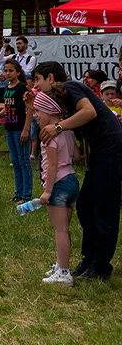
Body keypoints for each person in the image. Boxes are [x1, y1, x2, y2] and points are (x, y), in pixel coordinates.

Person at [35, 61, 122, 282]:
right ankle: (89, 260)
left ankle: (100, 267)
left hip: (111, 150)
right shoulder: (62, 98)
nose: (36, 84)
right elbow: (44, 115)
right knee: (85, 206)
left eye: (38, 79)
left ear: (51, 79)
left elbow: (89, 111)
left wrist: (58, 127)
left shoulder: (71, 88)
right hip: (100, 152)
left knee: (104, 210)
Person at [33, 89, 80, 286]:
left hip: (58, 185)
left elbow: (51, 165)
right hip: (72, 181)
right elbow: (76, 157)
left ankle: (63, 272)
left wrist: (48, 191)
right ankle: (62, 265)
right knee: (65, 229)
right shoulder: (67, 130)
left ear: (50, 113)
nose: (35, 115)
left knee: (59, 230)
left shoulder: (48, 135)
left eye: (37, 112)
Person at [0, 59, 32, 202]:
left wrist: (26, 130)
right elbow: (8, 106)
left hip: (20, 129)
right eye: (5, 70)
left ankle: (26, 195)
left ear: (18, 72)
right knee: (15, 162)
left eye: (11, 70)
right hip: (9, 128)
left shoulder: (22, 87)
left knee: (24, 161)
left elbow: (30, 109)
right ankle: (18, 193)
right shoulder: (7, 88)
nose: (7, 73)